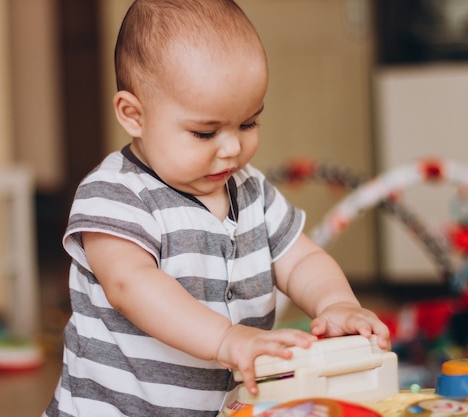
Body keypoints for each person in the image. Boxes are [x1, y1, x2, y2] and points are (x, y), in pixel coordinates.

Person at [44, 1, 390, 416]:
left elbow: (301, 260)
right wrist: (226, 339)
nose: (232, 149)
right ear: (134, 115)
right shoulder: (115, 193)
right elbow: (130, 286)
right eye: (205, 132)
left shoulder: (252, 191)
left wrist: (336, 303)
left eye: (248, 124)